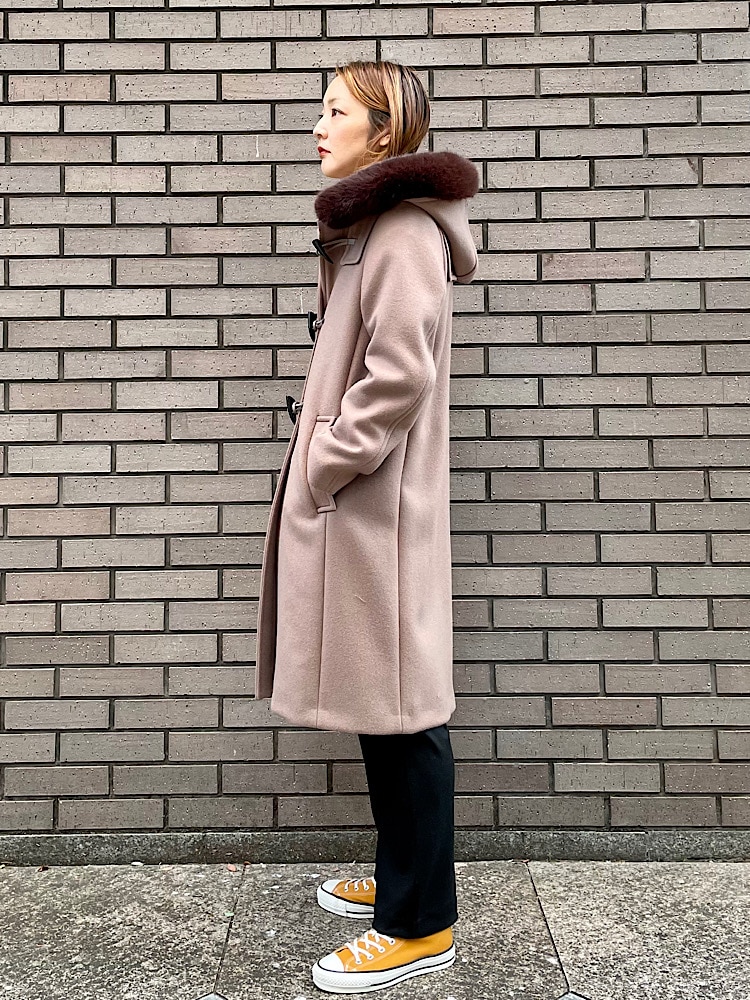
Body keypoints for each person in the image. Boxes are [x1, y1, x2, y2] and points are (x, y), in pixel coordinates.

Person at [254, 59, 479, 993]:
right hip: (365, 507)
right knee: (384, 712)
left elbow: (398, 374)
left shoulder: (402, 233)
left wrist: (327, 457)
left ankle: (421, 924)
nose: (319, 126)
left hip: (376, 508)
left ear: (384, 132)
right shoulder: (374, 229)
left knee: (404, 713)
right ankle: (403, 879)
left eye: (336, 111)